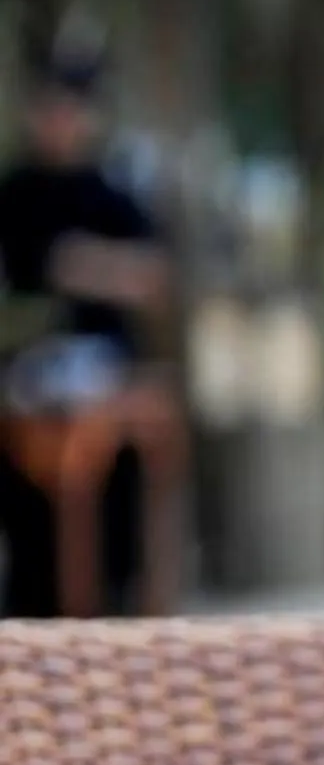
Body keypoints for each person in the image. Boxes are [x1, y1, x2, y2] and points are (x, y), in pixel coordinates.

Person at [0, 42, 170, 615]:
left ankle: (115, 599)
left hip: (106, 377)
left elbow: (153, 278)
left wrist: (84, 266)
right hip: (27, 377)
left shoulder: (113, 195)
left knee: (116, 487)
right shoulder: (16, 194)